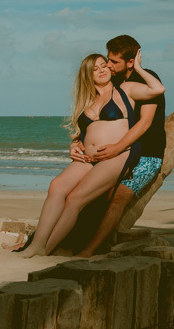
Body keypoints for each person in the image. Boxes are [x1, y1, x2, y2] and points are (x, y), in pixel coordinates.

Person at [11, 48, 164, 256]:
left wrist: (138, 67)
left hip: (117, 155)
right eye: (95, 69)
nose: (102, 70)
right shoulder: (88, 99)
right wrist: (74, 145)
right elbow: (85, 132)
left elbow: (157, 88)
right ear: (87, 75)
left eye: (104, 65)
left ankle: (46, 250)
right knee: (56, 186)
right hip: (88, 157)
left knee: (75, 198)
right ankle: (37, 244)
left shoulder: (125, 89)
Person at [70, 34, 166, 257]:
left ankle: (90, 250)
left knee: (118, 196)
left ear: (130, 62)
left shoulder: (146, 79)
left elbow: (145, 123)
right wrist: (76, 142)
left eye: (114, 62)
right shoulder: (114, 83)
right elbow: (93, 119)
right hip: (118, 152)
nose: (109, 66)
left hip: (148, 154)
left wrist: (117, 147)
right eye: (108, 60)